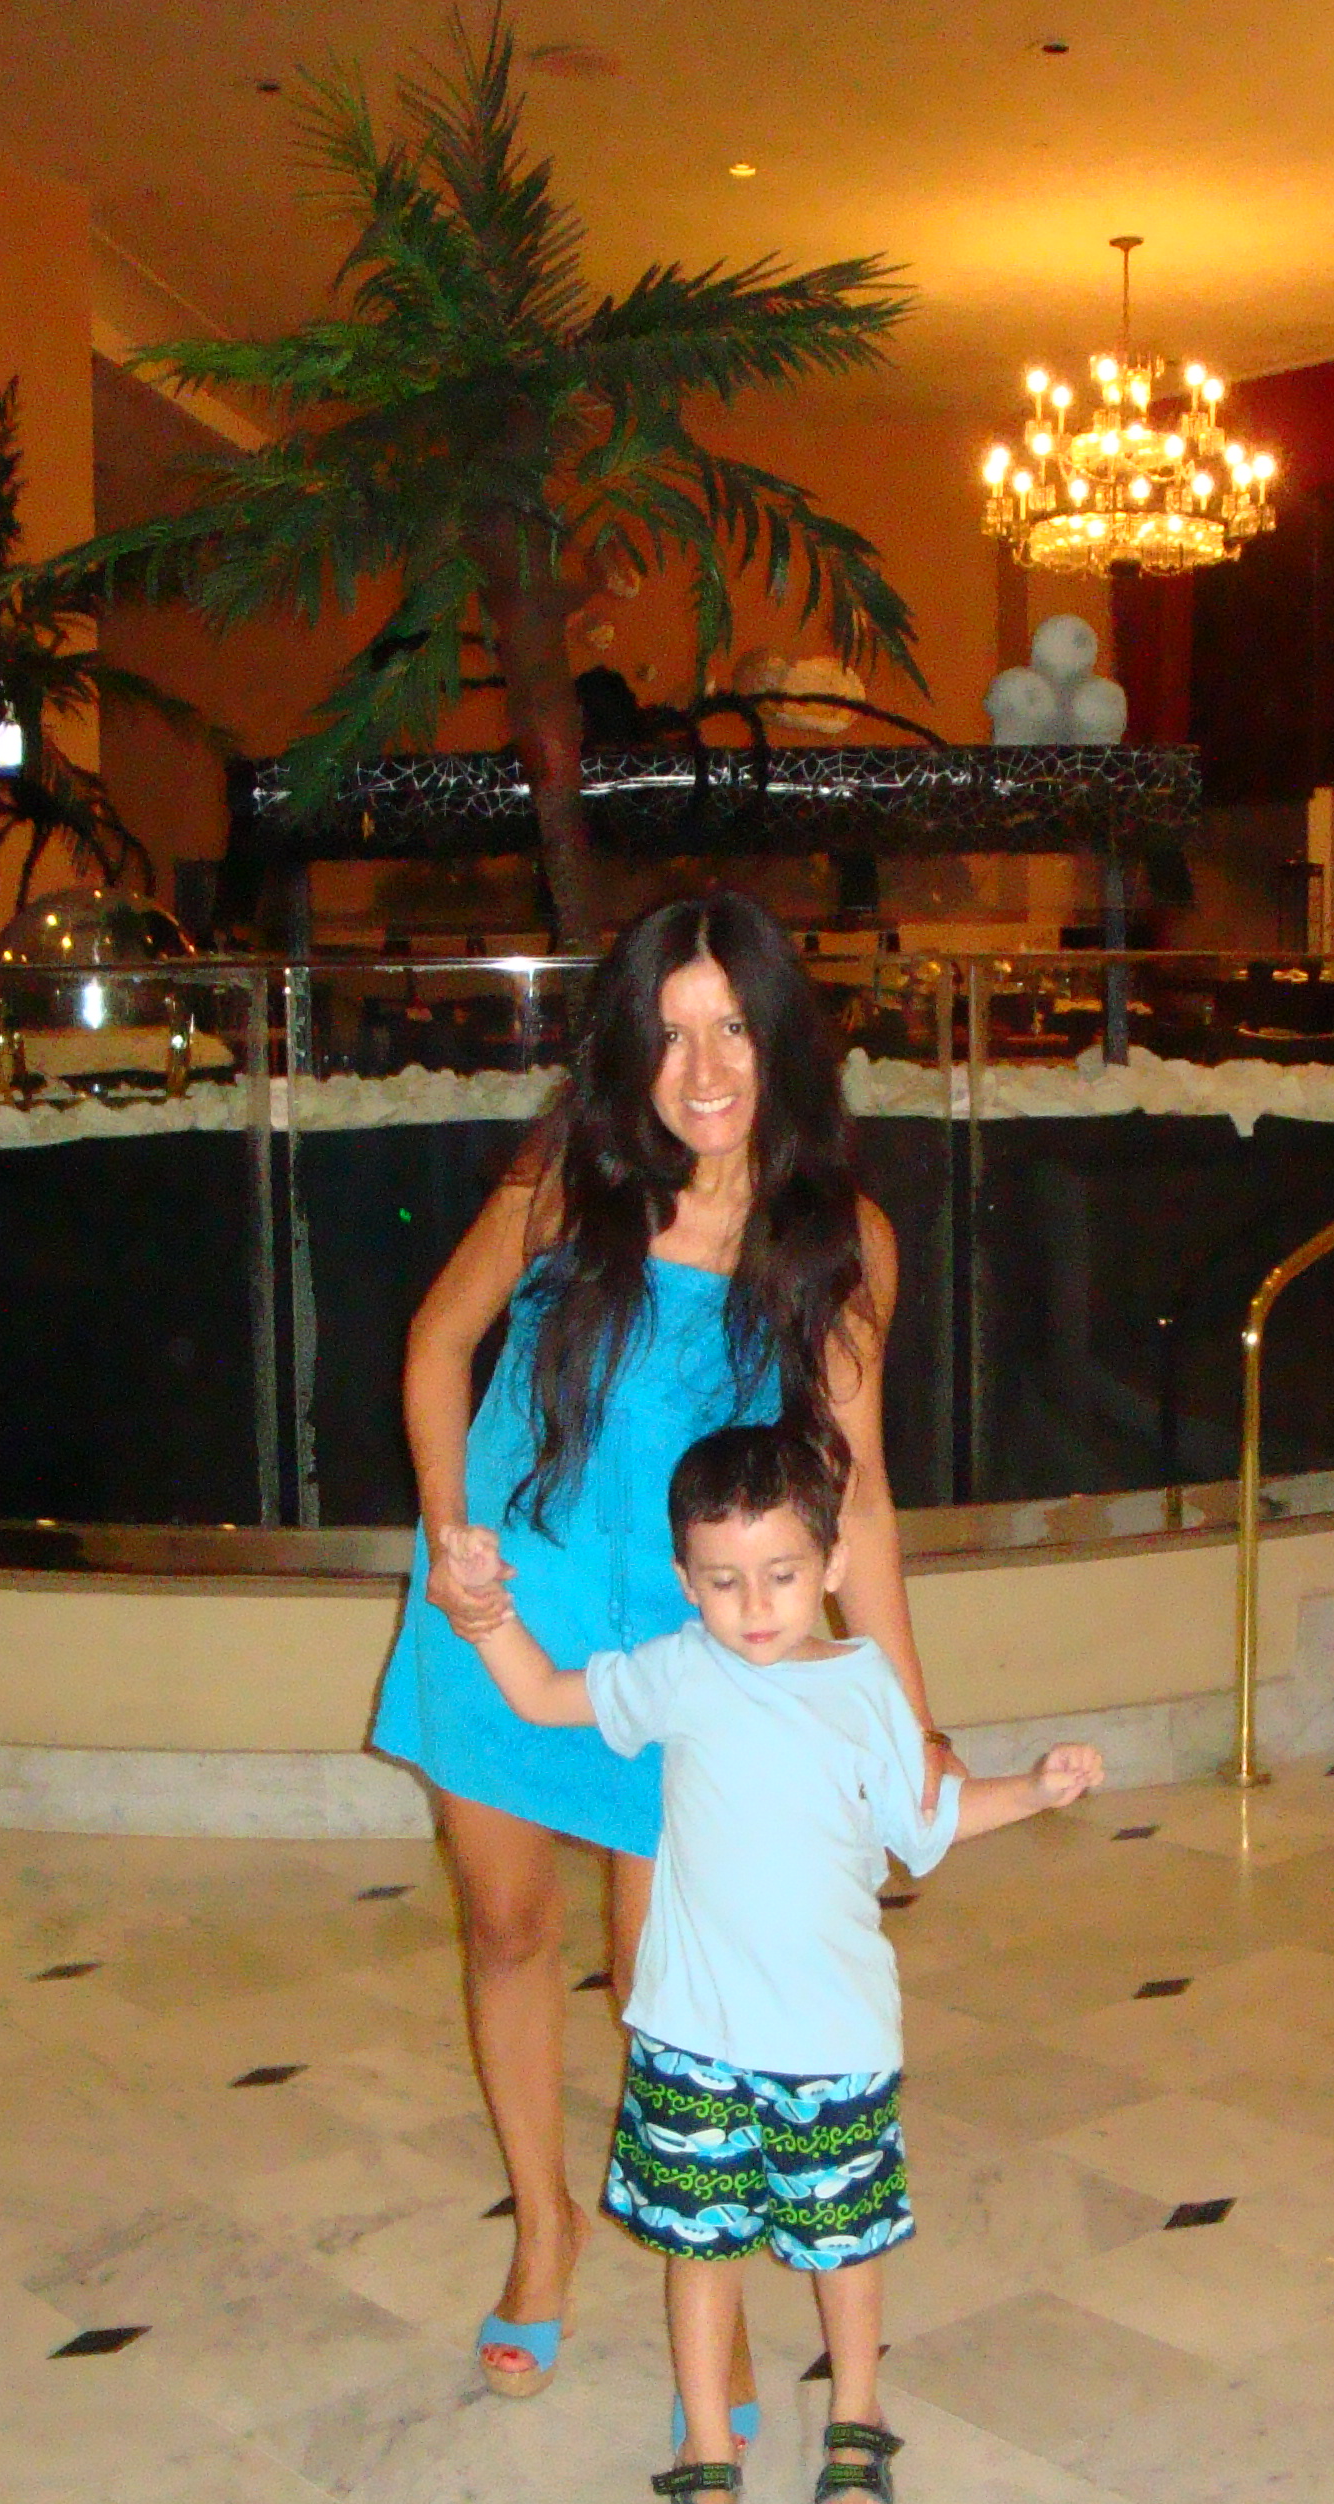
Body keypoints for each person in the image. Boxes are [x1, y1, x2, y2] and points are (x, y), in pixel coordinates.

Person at [370, 892, 958, 2414]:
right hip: (511, 1611)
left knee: (671, 1988)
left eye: (735, 1030)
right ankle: (544, 2233)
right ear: (632, 1048)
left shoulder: (842, 1242)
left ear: (784, 1043)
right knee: (508, 1930)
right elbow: (436, 1346)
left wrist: (905, 1720)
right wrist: (449, 1531)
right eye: (674, 1033)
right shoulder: (568, 1182)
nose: (705, 1071)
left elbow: (858, 1497)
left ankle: (712, 2297)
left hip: (699, 1652)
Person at [448, 1420, 1101, 2504]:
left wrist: (1032, 1791)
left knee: (845, 2245)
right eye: (723, 1581)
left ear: (833, 1563)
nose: (754, 1607)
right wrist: (486, 1616)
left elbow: (924, 1828)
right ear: (684, 1578)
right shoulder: (677, 1671)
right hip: (691, 2038)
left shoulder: (865, 1689)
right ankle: (706, 2447)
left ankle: (856, 2413)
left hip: (833, 2037)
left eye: (783, 1575)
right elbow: (545, 1696)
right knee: (701, 2250)